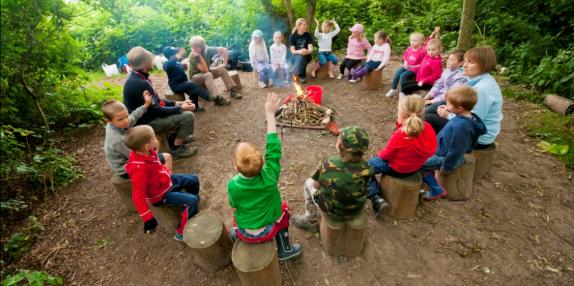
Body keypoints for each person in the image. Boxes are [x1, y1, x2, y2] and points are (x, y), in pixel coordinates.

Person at [227, 93, 302, 262]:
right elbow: (273, 149)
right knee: (283, 210)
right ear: (262, 161)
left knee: (237, 215)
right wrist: (270, 113)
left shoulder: (232, 185)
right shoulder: (270, 174)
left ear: (236, 166)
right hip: (268, 231)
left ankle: (235, 235)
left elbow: (233, 205)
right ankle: (285, 249)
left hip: (244, 232)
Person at [125, 125, 201, 241]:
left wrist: (156, 150)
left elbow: (155, 163)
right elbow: (137, 195)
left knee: (194, 179)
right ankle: (182, 232)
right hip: (161, 195)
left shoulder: (146, 151)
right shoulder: (139, 169)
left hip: (166, 180)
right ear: (146, 146)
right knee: (192, 201)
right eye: (154, 138)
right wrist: (147, 218)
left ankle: (189, 205)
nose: (156, 139)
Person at [290, 126, 373, 232]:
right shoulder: (368, 168)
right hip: (355, 210)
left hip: (332, 211)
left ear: (339, 146)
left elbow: (316, 185)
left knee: (308, 183)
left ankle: (311, 220)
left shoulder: (328, 164)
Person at [123, 46, 197, 159]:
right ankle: (176, 149)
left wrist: (179, 103)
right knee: (188, 116)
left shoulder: (138, 77)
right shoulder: (139, 83)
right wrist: (181, 108)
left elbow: (157, 102)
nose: (153, 61)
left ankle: (177, 137)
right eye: (150, 60)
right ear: (144, 65)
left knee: (181, 111)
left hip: (149, 115)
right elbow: (156, 110)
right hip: (145, 123)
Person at [366, 96, 437, 214]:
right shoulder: (428, 128)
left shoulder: (401, 134)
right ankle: (418, 193)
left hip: (397, 168)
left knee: (366, 167)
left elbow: (385, 156)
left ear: (403, 114)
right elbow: (432, 151)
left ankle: (375, 197)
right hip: (415, 167)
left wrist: (378, 155)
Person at [425, 46, 503, 145]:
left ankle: (435, 149)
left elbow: (471, 123)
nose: (464, 66)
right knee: (432, 110)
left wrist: (449, 115)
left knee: (427, 119)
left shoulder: (481, 90)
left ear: (484, 65)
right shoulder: (479, 79)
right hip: (469, 123)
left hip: (478, 137)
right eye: (465, 61)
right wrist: (451, 108)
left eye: (471, 62)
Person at [420, 86, 487, 200]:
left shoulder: (460, 126)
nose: (446, 104)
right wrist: (450, 109)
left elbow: (456, 150)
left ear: (460, 108)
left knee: (417, 163)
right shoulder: (467, 117)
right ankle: (430, 175)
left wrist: (447, 167)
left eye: (449, 103)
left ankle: (436, 189)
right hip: (442, 150)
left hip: (444, 157)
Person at [103, 95, 172, 179]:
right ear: (108, 121)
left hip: (130, 157)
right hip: (126, 169)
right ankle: (165, 183)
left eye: (126, 116)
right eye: (120, 119)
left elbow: (134, 116)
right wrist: (155, 149)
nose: (125, 121)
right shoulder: (117, 140)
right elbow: (137, 157)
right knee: (166, 157)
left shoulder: (119, 123)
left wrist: (146, 105)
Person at [162, 46, 230, 112]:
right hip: (176, 86)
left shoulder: (177, 62)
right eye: (175, 53)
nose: (177, 54)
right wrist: (177, 56)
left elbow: (178, 69)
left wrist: (183, 67)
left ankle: (195, 107)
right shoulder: (167, 63)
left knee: (193, 92)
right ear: (171, 55)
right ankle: (211, 97)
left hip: (184, 83)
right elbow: (167, 66)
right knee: (192, 85)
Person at [386, 27, 440, 97]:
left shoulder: (424, 50)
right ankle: (393, 88)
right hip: (407, 66)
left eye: (415, 40)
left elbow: (430, 41)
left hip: (416, 69)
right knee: (398, 73)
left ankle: (404, 92)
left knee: (403, 76)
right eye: (411, 40)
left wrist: (435, 33)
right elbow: (405, 58)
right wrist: (405, 64)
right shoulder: (409, 49)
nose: (412, 42)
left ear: (421, 42)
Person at [423, 50, 467, 114]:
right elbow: (438, 85)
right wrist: (428, 96)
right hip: (439, 96)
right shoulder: (447, 70)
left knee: (426, 112)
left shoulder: (461, 76)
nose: (448, 61)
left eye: (451, 60)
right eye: (448, 59)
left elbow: (451, 94)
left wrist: (431, 101)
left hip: (447, 101)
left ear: (461, 63)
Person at [289, 18, 313, 83]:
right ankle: (302, 75)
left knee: (303, 56)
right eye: (304, 25)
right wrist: (300, 51)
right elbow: (292, 51)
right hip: (295, 56)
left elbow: (311, 49)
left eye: (306, 25)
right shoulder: (292, 36)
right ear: (298, 26)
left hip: (307, 55)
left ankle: (295, 71)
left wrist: (306, 51)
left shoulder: (308, 35)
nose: (306, 26)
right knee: (301, 55)